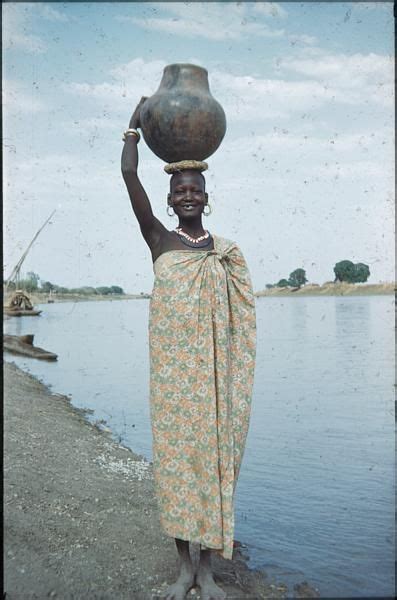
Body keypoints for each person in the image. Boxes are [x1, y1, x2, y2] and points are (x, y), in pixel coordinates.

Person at [121, 98, 256, 600]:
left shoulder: (223, 253)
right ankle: (184, 569)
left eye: (195, 189)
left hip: (216, 381)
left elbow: (240, 320)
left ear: (206, 195)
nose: (188, 196)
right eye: (179, 190)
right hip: (175, 386)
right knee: (180, 468)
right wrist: (133, 128)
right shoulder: (160, 240)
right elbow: (131, 181)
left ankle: (209, 573)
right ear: (171, 198)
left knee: (214, 462)